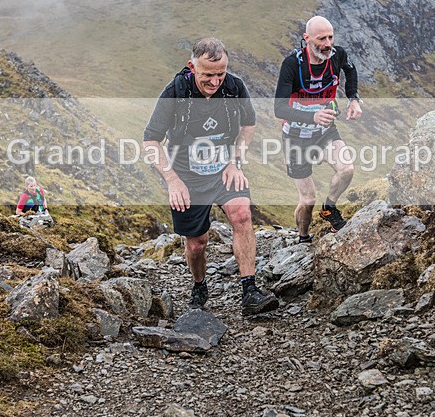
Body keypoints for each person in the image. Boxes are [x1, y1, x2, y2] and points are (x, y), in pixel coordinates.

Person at [143, 37, 279, 316]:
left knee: (241, 215)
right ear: (191, 67)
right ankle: (199, 284)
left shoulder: (235, 87)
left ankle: (249, 290)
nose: (215, 81)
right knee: (197, 243)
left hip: (223, 170)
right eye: (208, 75)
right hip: (186, 177)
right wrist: (172, 180)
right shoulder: (175, 92)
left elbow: (249, 125)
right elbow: (150, 141)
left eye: (221, 74)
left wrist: (235, 162)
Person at [274, 16, 363, 241]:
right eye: (321, 38)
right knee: (307, 199)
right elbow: (279, 109)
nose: (327, 43)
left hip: (325, 132)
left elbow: (350, 71)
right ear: (307, 39)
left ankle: (329, 208)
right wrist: (313, 116)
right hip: (295, 137)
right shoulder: (293, 64)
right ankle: (303, 236)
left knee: (346, 169)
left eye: (330, 37)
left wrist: (353, 99)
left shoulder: (337, 55)